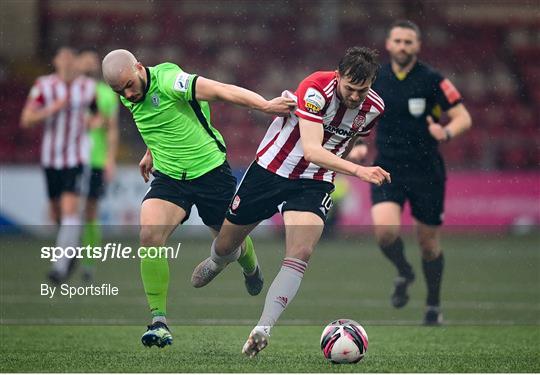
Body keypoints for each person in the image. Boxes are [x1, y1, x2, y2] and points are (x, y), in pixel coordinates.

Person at [191, 47, 391, 357]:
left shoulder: (374, 107)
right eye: (349, 88)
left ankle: (263, 328)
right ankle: (223, 260)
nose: (354, 96)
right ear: (338, 77)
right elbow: (310, 149)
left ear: (371, 84)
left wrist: (351, 154)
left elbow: (348, 139)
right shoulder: (315, 88)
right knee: (225, 244)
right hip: (271, 170)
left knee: (301, 251)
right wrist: (359, 170)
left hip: (315, 181)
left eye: (361, 90)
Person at [100, 49, 295, 348]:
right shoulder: (129, 92)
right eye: (119, 91)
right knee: (149, 235)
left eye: (129, 84)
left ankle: (250, 267)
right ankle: (159, 322)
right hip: (169, 179)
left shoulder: (170, 80)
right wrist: (152, 150)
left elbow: (220, 90)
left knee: (230, 246)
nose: (128, 93)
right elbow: (161, 119)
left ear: (139, 67)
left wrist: (266, 105)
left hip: (210, 173)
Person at [351, 20, 472, 325]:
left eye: (409, 42)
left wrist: (444, 132)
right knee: (385, 234)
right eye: (398, 41)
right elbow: (358, 116)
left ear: (418, 46)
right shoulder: (376, 79)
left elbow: (463, 117)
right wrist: (360, 143)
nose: (403, 46)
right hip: (387, 167)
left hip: (426, 172)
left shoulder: (433, 79)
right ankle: (404, 272)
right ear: (388, 45)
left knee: (429, 245)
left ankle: (433, 305)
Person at [20, 46, 97, 284]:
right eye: (61, 55)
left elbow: (97, 114)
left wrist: (91, 123)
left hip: (75, 157)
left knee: (70, 209)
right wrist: (53, 109)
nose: (65, 59)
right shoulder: (44, 86)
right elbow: (27, 119)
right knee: (56, 213)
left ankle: (60, 267)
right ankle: (71, 246)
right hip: (51, 158)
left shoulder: (87, 87)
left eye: (70, 56)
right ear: (54, 61)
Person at [76, 49, 119, 283]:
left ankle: (89, 262)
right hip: (70, 160)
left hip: (95, 159)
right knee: (68, 210)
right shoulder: (69, 92)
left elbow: (111, 128)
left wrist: (110, 159)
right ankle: (69, 253)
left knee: (90, 210)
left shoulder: (105, 94)